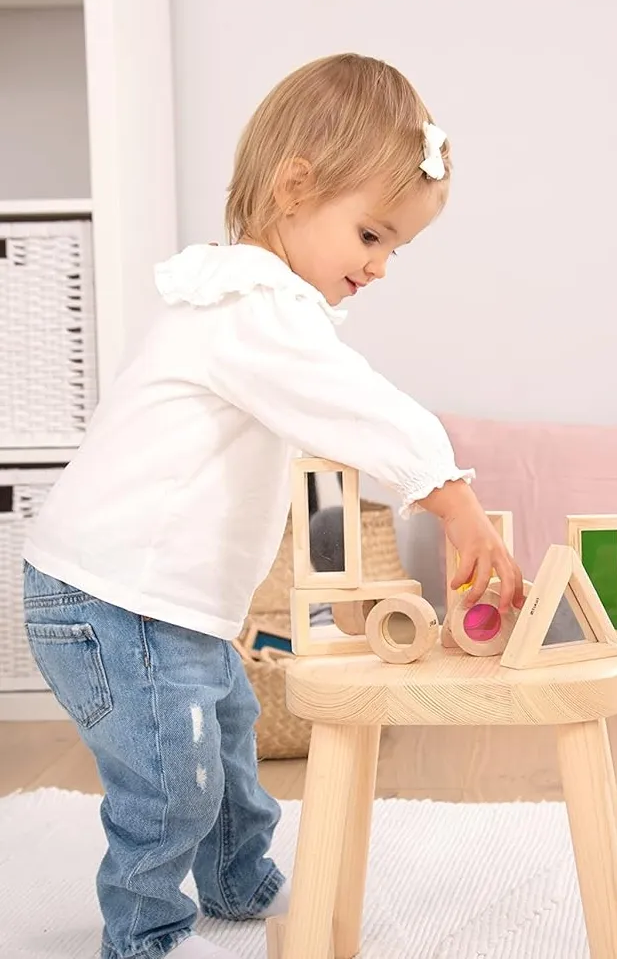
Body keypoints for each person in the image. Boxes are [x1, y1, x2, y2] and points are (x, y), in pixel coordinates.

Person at [22, 53, 524, 959]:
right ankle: (146, 934)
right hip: (113, 599)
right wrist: (450, 498)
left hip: (165, 604)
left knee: (229, 741)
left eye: (395, 250)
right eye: (372, 236)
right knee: (175, 778)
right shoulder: (249, 307)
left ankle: (239, 877)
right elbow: (355, 401)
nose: (379, 268)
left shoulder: (255, 304)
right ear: (296, 188)